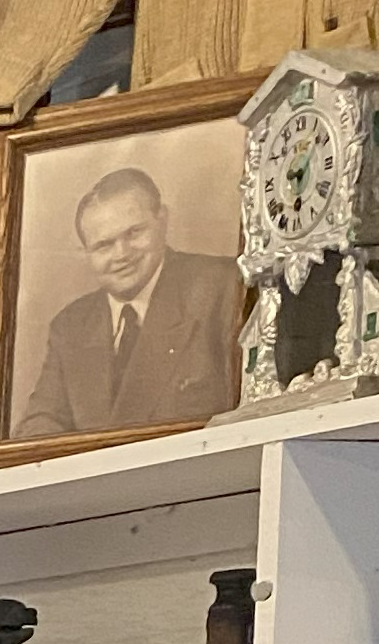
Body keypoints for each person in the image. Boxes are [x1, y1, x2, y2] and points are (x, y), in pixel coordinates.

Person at [16, 163, 241, 439]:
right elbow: (39, 423)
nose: (122, 254)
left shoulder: (222, 288)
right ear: (85, 251)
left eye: (134, 233)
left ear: (163, 220)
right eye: (104, 245)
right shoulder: (71, 327)